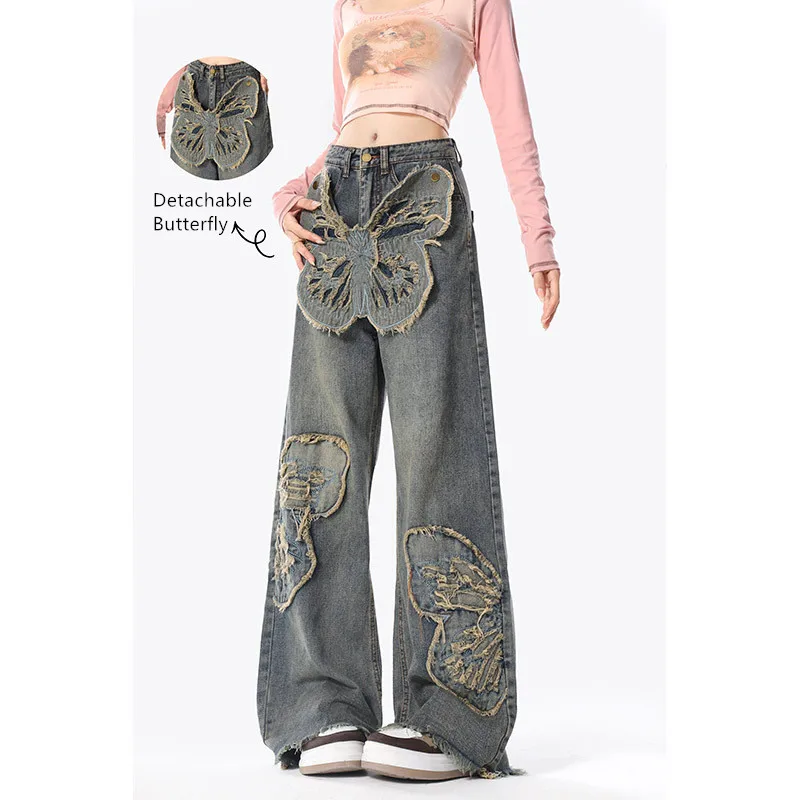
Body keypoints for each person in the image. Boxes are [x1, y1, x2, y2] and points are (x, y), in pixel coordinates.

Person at [257, 0, 560, 780]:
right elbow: (344, 123)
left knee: (438, 449)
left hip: (425, 204)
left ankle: (447, 714)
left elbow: (510, 118)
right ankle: (324, 703)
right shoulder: (349, 4)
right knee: (321, 459)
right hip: (336, 212)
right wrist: (295, 192)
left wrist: (538, 240)